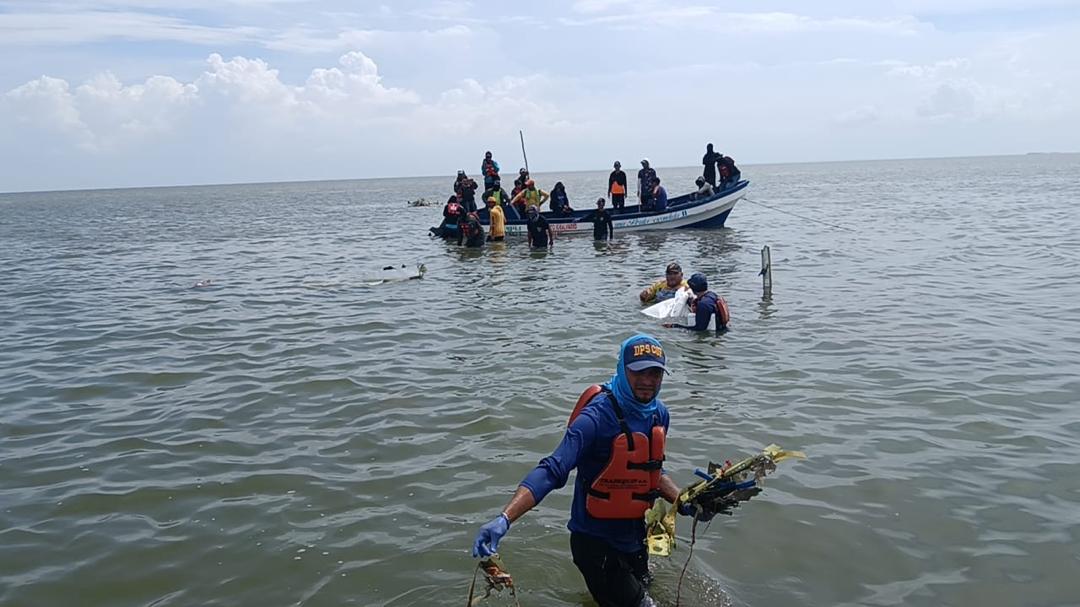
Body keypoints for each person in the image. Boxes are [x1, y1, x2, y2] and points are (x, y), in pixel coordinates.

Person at [472, 334, 704, 607]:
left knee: (641, 592)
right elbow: (552, 469)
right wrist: (505, 518)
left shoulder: (658, 415)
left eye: (655, 373)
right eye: (638, 372)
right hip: (595, 545)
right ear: (622, 369)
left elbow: (651, 472)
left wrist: (685, 501)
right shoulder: (595, 418)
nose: (647, 381)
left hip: (634, 539)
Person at [664, 273, 729, 331]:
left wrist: (674, 326)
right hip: (722, 329)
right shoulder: (712, 295)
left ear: (693, 288)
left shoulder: (703, 304)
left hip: (715, 333)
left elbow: (699, 329)